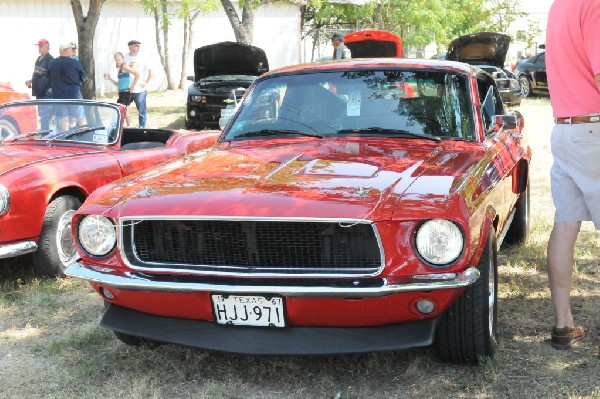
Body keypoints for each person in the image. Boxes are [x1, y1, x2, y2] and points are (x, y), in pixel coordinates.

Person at [545, 0, 600, 350]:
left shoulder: (558, 6)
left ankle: (563, 325)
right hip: (593, 129)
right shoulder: (593, 5)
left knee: (565, 224)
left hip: (564, 129)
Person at [48, 42, 87, 131]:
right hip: (74, 96)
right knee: (81, 118)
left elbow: (49, 77)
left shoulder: (52, 63)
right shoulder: (74, 63)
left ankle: (64, 140)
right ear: (65, 51)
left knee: (63, 119)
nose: (72, 51)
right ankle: (85, 137)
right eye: (70, 49)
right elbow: (83, 77)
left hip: (59, 97)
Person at [104, 52, 139, 126]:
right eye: (116, 60)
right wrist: (110, 79)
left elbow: (137, 74)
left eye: (119, 60)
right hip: (121, 93)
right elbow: (118, 84)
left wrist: (132, 87)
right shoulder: (120, 69)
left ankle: (129, 126)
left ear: (123, 59)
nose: (118, 61)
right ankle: (126, 126)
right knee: (124, 110)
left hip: (126, 92)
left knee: (123, 110)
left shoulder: (124, 67)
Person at [124, 39, 153, 128]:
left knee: (142, 111)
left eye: (138, 45)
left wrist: (147, 82)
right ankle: (129, 126)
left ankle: (142, 128)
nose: (138, 47)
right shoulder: (124, 57)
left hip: (140, 90)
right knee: (124, 108)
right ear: (130, 46)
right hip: (127, 89)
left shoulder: (143, 57)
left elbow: (151, 70)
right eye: (136, 45)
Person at [25, 39, 54, 130]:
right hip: (39, 92)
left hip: (46, 93)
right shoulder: (38, 59)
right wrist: (31, 81)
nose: (39, 49)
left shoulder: (50, 60)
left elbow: (53, 76)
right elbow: (36, 73)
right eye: (39, 47)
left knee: (45, 116)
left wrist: (51, 88)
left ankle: (44, 136)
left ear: (47, 48)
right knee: (42, 115)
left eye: (41, 47)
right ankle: (43, 134)